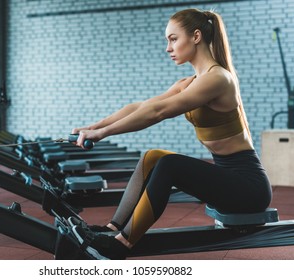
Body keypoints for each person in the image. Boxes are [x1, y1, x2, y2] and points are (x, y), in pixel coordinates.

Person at [69, 8, 272, 260]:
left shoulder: (218, 78)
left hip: (248, 188)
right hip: (227, 178)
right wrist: (93, 126)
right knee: (153, 156)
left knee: (170, 164)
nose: (168, 47)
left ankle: (122, 244)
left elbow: (159, 112)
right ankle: (114, 229)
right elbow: (142, 106)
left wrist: (103, 133)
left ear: (196, 36)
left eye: (173, 39)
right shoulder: (189, 82)